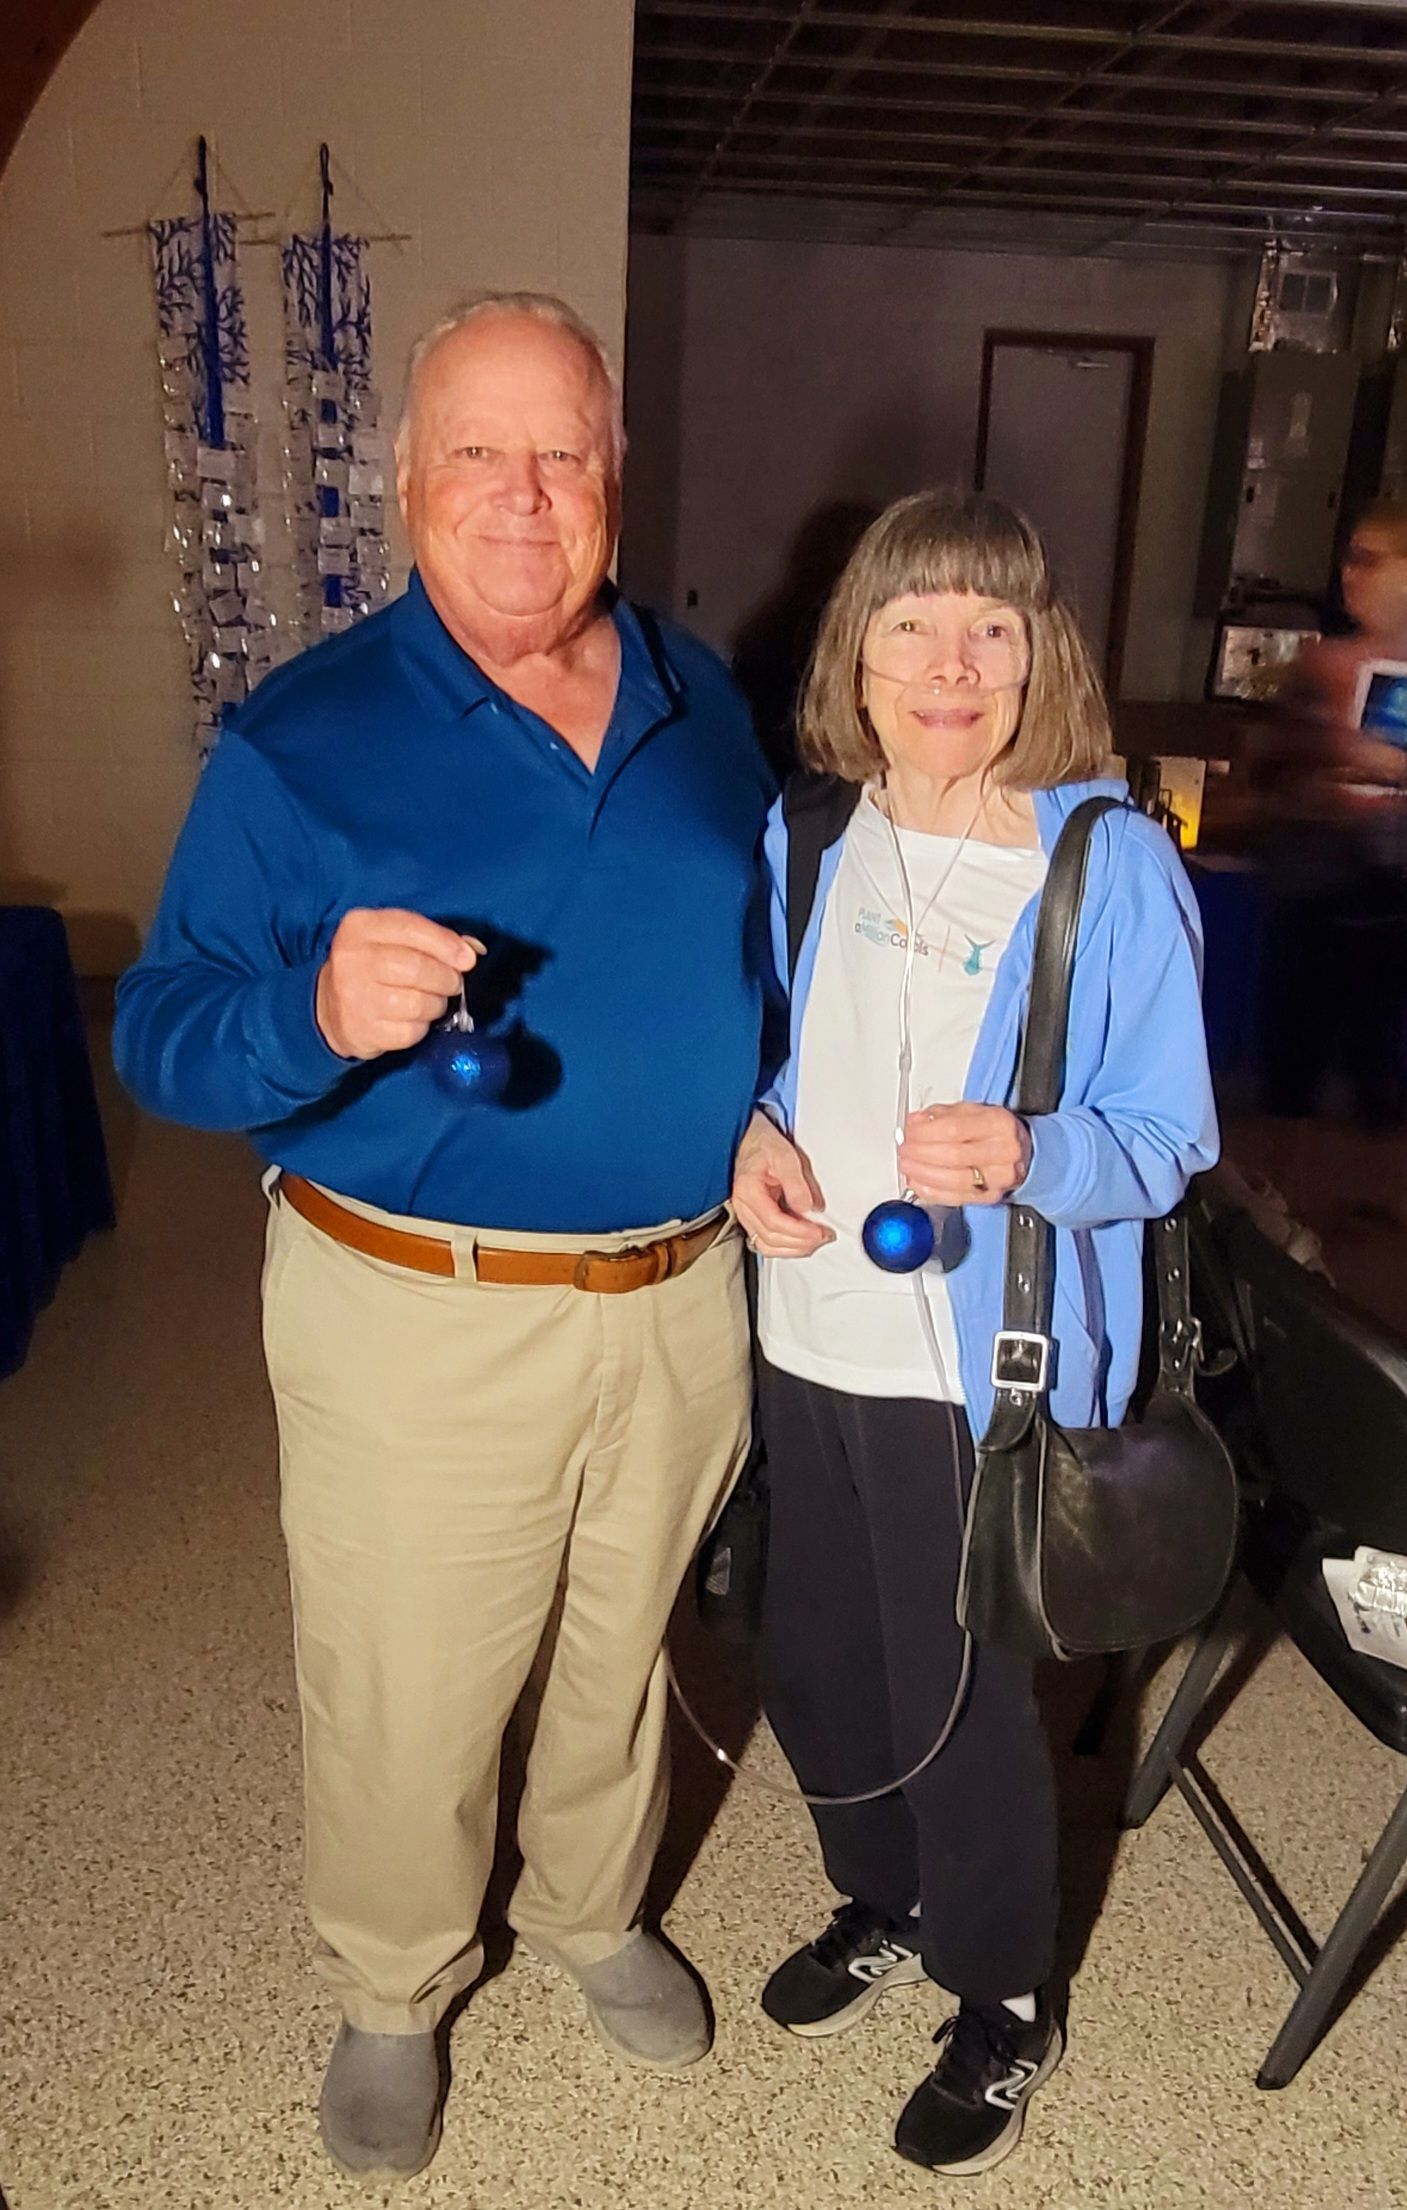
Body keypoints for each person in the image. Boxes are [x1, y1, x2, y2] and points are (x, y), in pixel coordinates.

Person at [114, 293, 771, 2181]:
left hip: (673, 1290)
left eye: (560, 451)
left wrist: (755, 1112)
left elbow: (743, 965)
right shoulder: (302, 737)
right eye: (476, 451)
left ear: (615, 484)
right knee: (411, 1679)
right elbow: (161, 1024)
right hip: (418, 1306)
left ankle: (586, 1910)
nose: (520, 492)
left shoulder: (696, 696)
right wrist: (308, 1013)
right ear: (408, 485)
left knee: (620, 1644)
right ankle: (396, 1984)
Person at [731, 490, 1217, 2179]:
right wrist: (754, 1133)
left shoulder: (1102, 859)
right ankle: (884, 1899)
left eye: (991, 630)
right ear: (853, 662)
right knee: (817, 1659)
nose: (951, 665)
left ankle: (1003, 1998)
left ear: (1038, 660)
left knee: (966, 1698)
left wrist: (1032, 1152)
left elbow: (1164, 1135)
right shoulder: (810, 835)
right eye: (911, 626)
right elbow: (799, 1047)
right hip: (807, 1328)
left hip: (977, 1367)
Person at [1255, 500, 1407, 1128]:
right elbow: (1264, 777)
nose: (1351, 573)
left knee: (1378, 1096)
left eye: (1371, 560)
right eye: (1349, 557)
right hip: (1314, 902)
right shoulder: (1317, 668)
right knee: (1290, 1087)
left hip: (1393, 910)